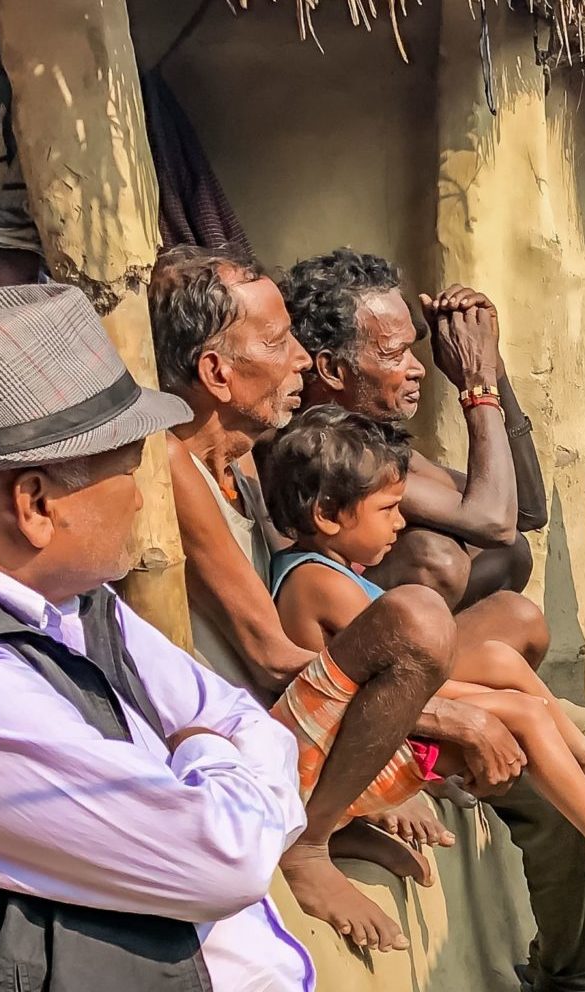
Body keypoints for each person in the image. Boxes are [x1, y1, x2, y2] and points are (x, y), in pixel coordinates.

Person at [0, 286, 309, 991]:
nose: (141, 495)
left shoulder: (60, 593)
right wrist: (205, 750)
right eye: (128, 467)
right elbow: (228, 857)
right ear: (36, 504)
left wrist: (208, 760)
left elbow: (259, 730)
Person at [154, 245, 462, 953]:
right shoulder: (173, 463)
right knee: (415, 619)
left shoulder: (244, 463)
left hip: (280, 726)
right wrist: (451, 718)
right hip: (230, 742)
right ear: (215, 372)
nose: (301, 359)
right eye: (277, 341)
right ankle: (308, 842)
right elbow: (266, 658)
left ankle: (337, 817)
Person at [260, 404, 585, 877]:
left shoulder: (333, 570)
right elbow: (386, 690)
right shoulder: (320, 583)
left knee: (498, 659)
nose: (400, 523)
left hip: (374, 726)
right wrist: (486, 704)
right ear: (327, 514)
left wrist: (486, 693)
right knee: (522, 709)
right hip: (350, 755)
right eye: (387, 509)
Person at [279, 249, 547, 610]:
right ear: (332, 370)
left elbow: (526, 515)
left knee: (511, 554)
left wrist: (491, 365)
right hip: (339, 632)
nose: (417, 368)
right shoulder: (320, 448)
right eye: (395, 354)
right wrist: (476, 383)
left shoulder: (368, 436)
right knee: (436, 556)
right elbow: (493, 520)